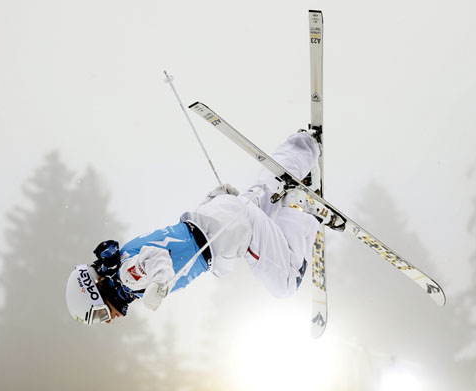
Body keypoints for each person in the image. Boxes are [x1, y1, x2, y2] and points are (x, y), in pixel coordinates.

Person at [65, 130, 326, 325]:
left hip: (227, 237)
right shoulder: (124, 258)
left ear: (98, 293)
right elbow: (172, 242)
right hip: (216, 218)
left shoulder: (128, 277)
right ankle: (303, 147)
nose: (107, 320)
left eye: (99, 314)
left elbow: (157, 259)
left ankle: (302, 206)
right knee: (267, 190)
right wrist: (215, 200)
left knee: (287, 283)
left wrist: (158, 285)